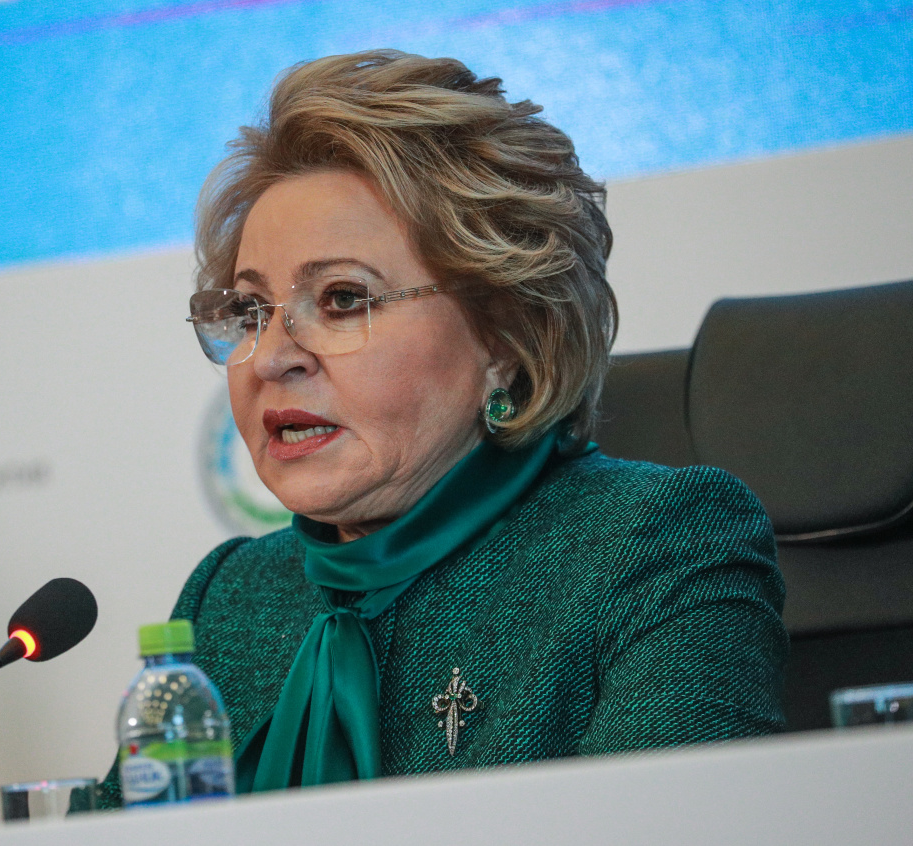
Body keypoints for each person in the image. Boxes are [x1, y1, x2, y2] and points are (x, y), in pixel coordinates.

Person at [99, 49, 786, 804]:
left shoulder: (657, 547)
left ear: (506, 336)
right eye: (250, 310)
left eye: (342, 300)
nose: (270, 357)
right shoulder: (231, 598)